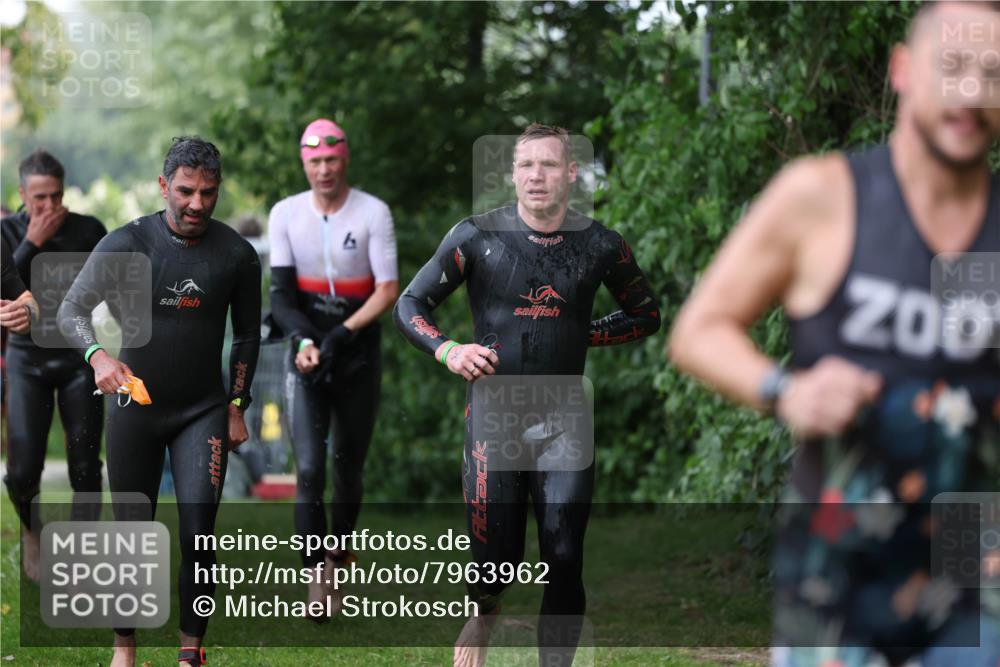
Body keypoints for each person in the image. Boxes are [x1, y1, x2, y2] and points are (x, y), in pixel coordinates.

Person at [669, 2, 1000, 665]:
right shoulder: (823, 197)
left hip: (975, 559)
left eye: (993, 74)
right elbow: (700, 330)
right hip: (842, 554)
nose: (972, 92)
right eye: (954, 67)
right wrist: (784, 389)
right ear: (903, 70)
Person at [393, 123, 660, 666]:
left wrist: (581, 332)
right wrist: (450, 351)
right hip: (494, 416)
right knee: (496, 562)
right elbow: (410, 304)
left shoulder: (601, 245)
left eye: (548, 165)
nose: (536, 175)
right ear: (513, 174)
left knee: (563, 556)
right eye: (526, 165)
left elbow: (646, 314)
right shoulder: (476, 237)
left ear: (570, 173)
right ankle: (483, 612)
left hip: (565, 419)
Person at [57, 137, 261, 667]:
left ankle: (190, 654)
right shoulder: (127, 244)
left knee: (199, 531)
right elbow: (71, 311)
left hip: (203, 410)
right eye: (187, 191)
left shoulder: (236, 254)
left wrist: (237, 403)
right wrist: (98, 356)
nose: (197, 204)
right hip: (134, 404)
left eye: (208, 194)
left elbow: (245, 338)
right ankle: (124, 649)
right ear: (163, 185)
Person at [267, 117, 398, 618]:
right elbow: (279, 296)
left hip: (357, 349)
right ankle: (315, 580)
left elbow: (387, 289)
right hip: (307, 348)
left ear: (346, 160)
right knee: (308, 470)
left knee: (346, 467)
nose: (323, 170)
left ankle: (338, 560)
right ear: (304, 163)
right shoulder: (286, 214)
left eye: (332, 160)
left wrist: (341, 336)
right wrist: (302, 339)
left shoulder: (373, 212)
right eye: (314, 161)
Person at [1, 150, 106, 582]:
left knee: (85, 466)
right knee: (23, 470)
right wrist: (33, 243)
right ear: (23, 194)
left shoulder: (88, 230)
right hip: (27, 360)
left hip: (79, 357)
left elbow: (110, 289)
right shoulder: (7, 233)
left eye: (57, 196)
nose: (49, 207)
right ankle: (32, 533)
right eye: (40, 198)